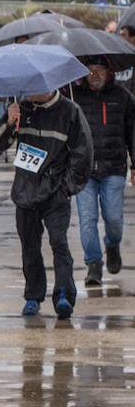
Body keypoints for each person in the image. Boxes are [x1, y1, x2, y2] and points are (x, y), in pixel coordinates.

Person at [0, 89, 92, 318]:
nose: (33, 92)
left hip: (56, 192)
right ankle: (33, 296)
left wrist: (67, 187)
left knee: (59, 243)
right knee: (30, 247)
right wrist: (8, 122)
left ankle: (64, 295)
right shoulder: (21, 108)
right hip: (25, 192)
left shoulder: (70, 111)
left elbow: (83, 154)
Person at [70, 56, 135, 284]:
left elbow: (132, 133)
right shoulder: (74, 98)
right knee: (87, 219)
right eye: (90, 70)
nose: (94, 75)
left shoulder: (123, 98)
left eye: (100, 70)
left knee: (113, 219)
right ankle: (93, 264)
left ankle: (113, 244)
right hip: (83, 171)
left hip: (114, 168)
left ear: (110, 72)